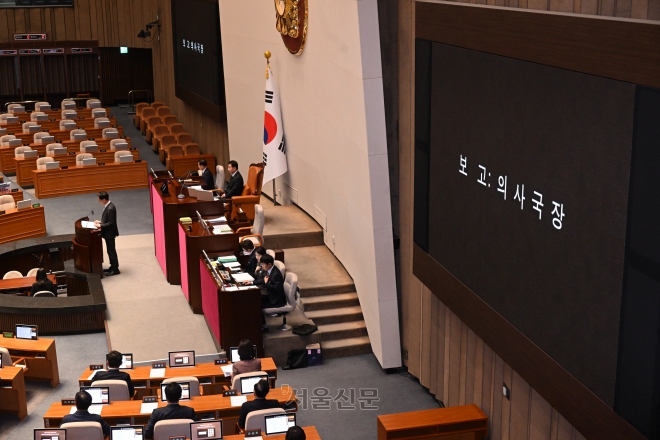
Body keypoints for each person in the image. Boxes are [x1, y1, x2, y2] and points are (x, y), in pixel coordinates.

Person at [247, 254, 285, 332]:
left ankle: (264, 326)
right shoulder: (269, 270)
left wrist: (266, 284)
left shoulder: (276, 274)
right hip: (270, 295)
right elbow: (263, 280)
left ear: (269, 264)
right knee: (253, 301)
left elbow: (277, 289)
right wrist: (251, 282)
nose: (262, 266)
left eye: (263, 264)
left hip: (275, 300)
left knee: (256, 305)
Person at [94, 191, 120, 276]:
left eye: (99, 200)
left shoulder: (110, 208)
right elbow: (107, 220)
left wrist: (100, 226)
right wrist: (100, 222)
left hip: (110, 233)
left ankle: (115, 269)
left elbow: (111, 223)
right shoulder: (108, 206)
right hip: (108, 233)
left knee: (111, 251)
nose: (99, 202)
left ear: (104, 199)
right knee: (110, 251)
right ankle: (112, 267)